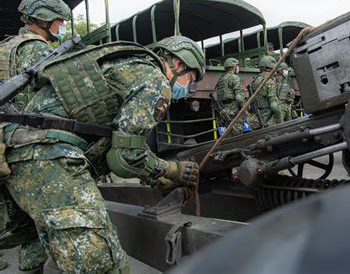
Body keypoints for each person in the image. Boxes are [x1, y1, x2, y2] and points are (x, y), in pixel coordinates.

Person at [0, 35, 206, 273]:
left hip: (20, 149)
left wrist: (156, 177)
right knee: (102, 263)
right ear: (179, 64)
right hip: (50, 154)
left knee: (33, 235)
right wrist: (174, 170)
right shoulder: (155, 80)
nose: (188, 90)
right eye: (191, 80)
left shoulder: (124, 63)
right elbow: (126, 157)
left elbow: (111, 137)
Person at [0, 0, 71, 273]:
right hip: (28, 146)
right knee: (35, 220)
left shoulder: (4, 47)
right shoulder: (39, 51)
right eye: (59, 20)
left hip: (3, 145)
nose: (61, 26)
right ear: (44, 18)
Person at [248, 56, 282, 128]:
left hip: (257, 117)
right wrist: (280, 120)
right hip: (268, 117)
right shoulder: (269, 81)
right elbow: (274, 105)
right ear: (271, 67)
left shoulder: (255, 81)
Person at [214, 58, 246, 137]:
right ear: (234, 67)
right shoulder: (234, 77)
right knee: (237, 132)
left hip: (224, 109)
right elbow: (239, 97)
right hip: (233, 109)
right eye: (237, 66)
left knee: (227, 133)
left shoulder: (221, 78)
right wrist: (244, 108)